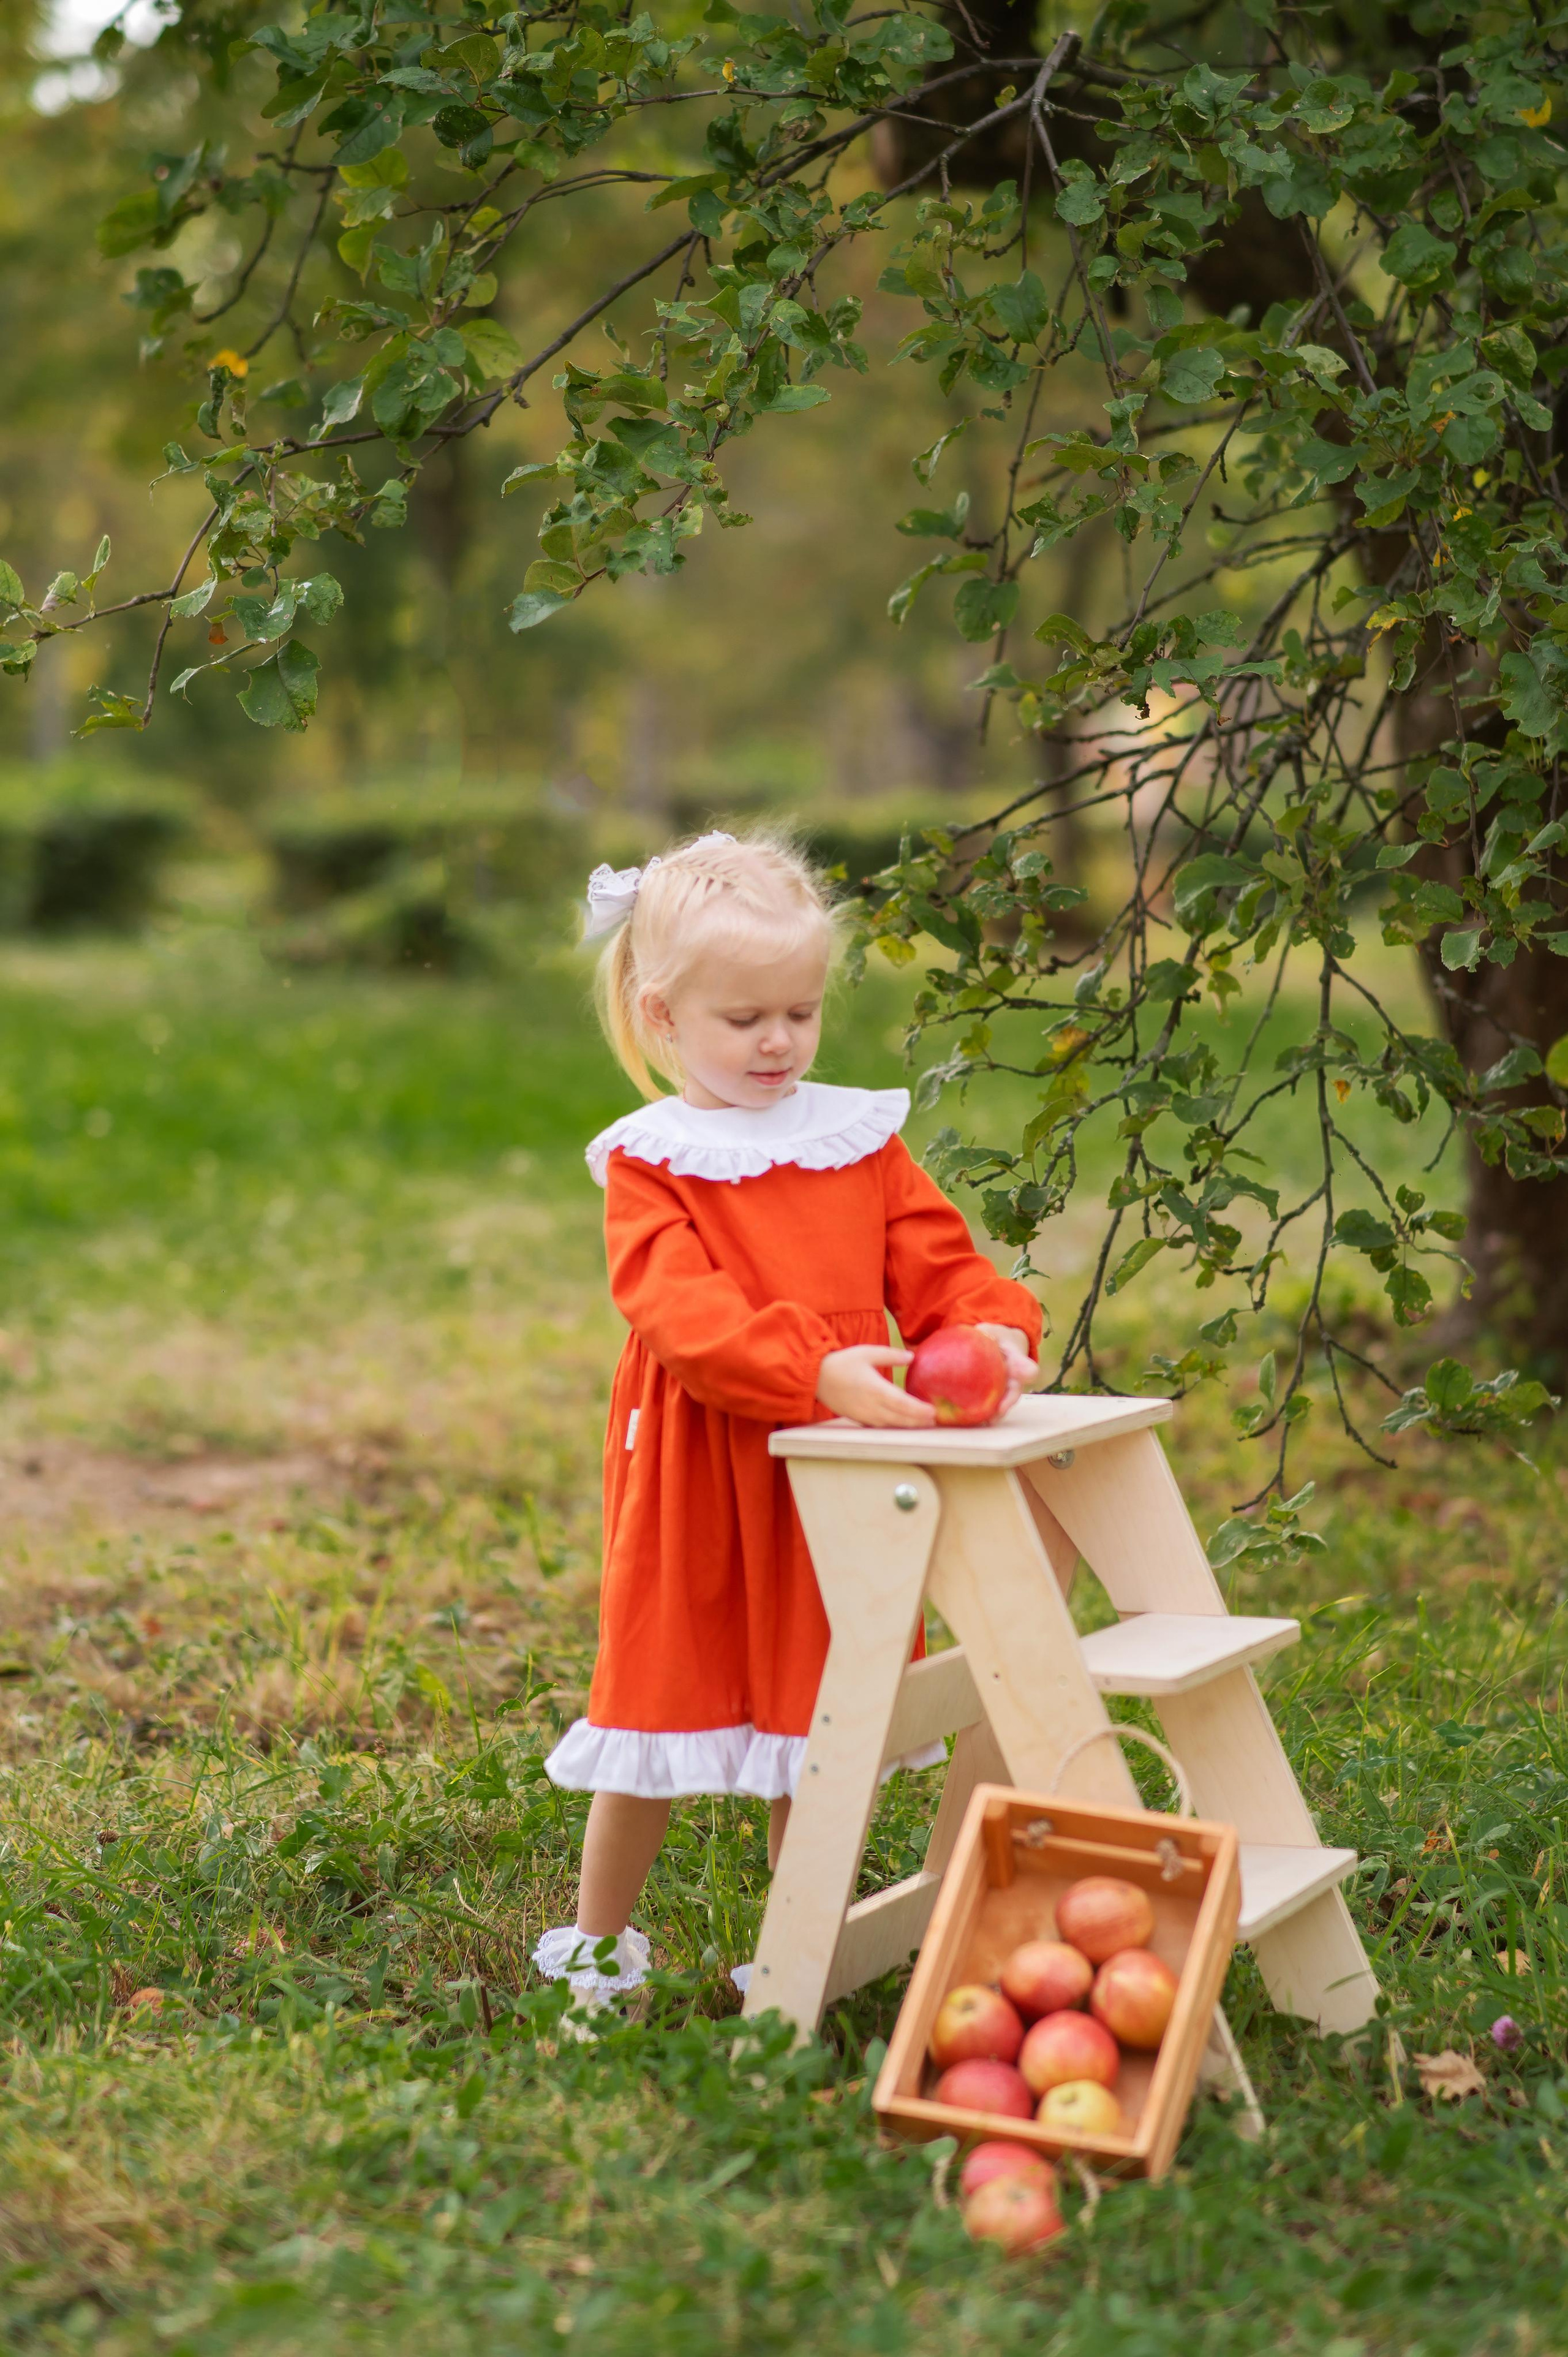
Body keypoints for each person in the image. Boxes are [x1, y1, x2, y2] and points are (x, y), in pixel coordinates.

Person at [532, 829, 1041, 2003]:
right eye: (744, 1019)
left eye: (800, 1014)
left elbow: (935, 1262)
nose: (779, 1043)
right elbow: (680, 1313)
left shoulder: (853, 1138)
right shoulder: (658, 1162)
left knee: (823, 1707)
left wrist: (993, 1326)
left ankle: (794, 1940)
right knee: (659, 1702)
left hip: (839, 1469)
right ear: (662, 1017)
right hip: (709, 1462)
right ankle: (599, 1946)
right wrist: (818, 1372)